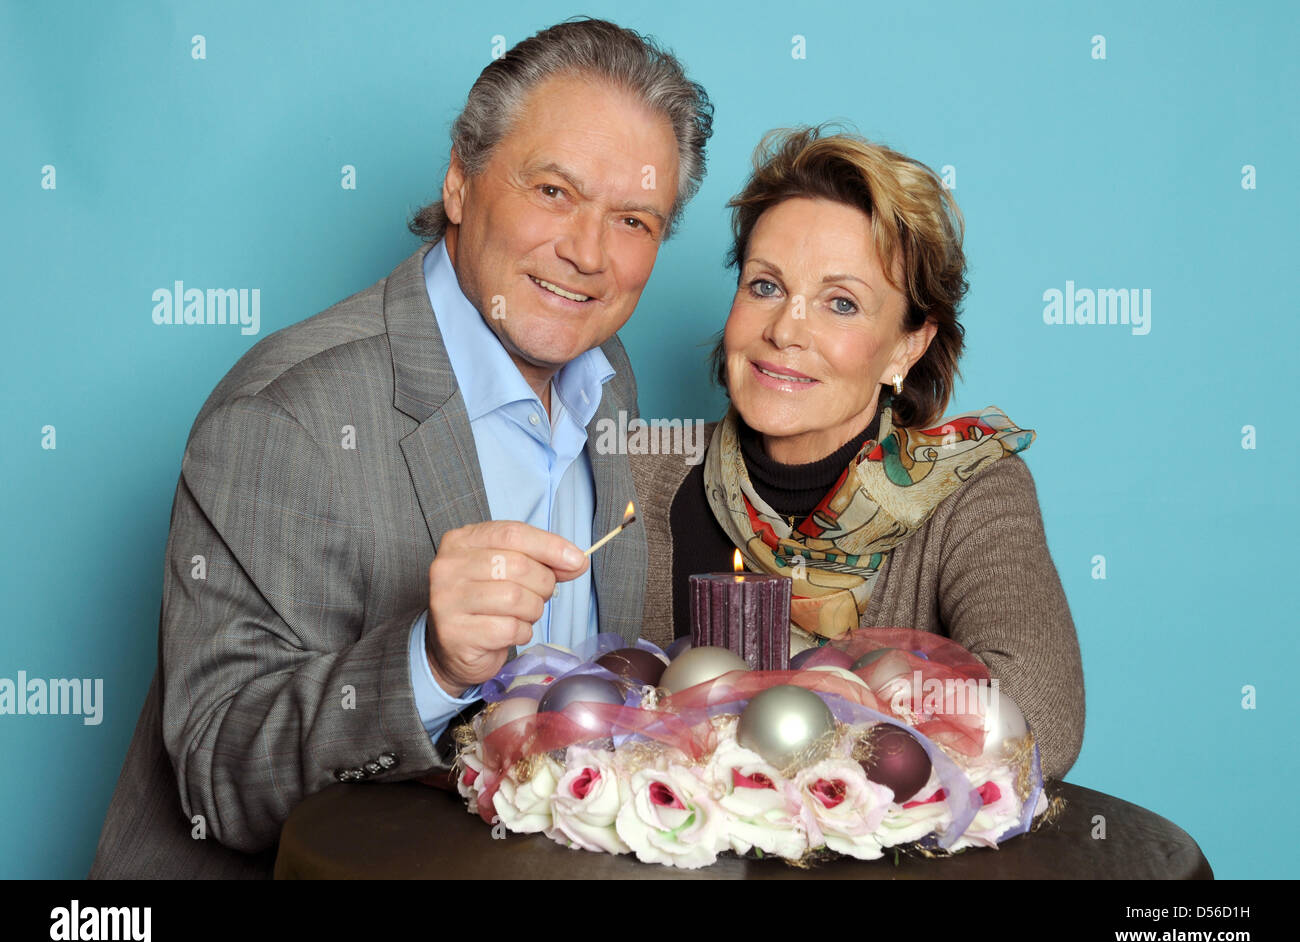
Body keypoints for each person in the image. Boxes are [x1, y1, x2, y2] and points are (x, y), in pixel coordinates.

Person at [89, 18, 713, 879]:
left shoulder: (606, 375)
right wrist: (430, 661)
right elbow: (217, 776)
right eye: (553, 192)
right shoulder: (286, 416)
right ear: (460, 180)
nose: (587, 253)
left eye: (634, 219)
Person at [633, 127, 1084, 780]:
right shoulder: (645, 472)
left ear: (907, 347)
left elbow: (1038, 719)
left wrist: (813, 722)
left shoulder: (973, 494)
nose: (786, 330)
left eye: (840, 303)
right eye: (765, 286)